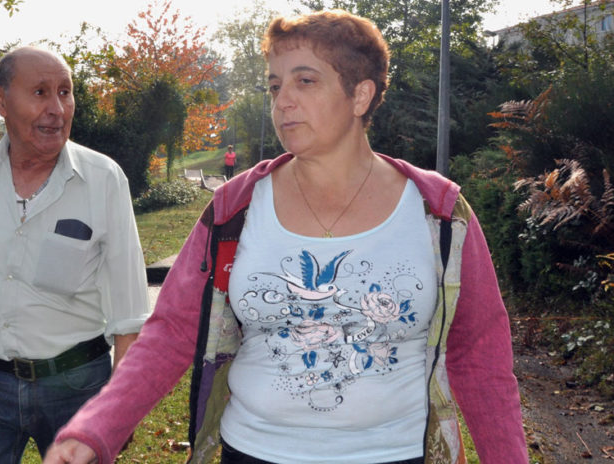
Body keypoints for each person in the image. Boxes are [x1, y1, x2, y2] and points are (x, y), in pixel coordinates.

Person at [44, 10, 527, 464]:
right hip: (253, 450)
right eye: (275, 85)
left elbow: (480, 354)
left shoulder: (439, 213)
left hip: (392, 452)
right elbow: (170, 331)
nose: (282, 101)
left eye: (305, 81)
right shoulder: (235, 208)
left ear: (360, 95)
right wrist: (95, 427)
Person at [0, 46, 150, 463]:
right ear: (1, 101)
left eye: (65, 93)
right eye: (40, 92)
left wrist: (119, 407)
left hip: (77, 386)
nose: (57, 108)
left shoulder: (103, 178)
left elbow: (130, 306)